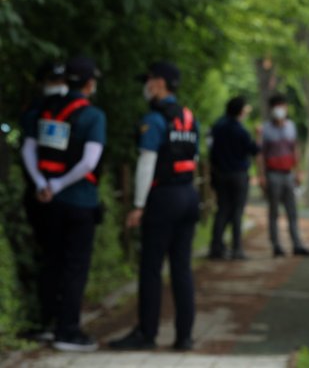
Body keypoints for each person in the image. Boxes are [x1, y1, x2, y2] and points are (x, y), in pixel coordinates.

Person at [109, 61, 199, 351]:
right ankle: (184, 336)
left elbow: (147, 162)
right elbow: (193, 159)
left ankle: (146, 334)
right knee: (182, 268)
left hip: (163, 198)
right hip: (188, 195)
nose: (145, 86)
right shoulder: (187, 117)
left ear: (160, 83)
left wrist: (138, 205)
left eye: (148, 80)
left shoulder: (155, 119)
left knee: (150, 267)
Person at [20, 56, 105, 352]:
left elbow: (28, 149)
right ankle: (68, 331)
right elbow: (89, 162)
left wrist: (44, 184)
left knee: (51, 261)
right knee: (75, 266)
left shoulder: (42, 111)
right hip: (78, 200)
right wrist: (59, 184)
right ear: (90, 83)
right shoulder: (92, 116)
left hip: (46, 200)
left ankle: (47, 323)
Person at [19, 60, 68, 342]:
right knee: (53, 259)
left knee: (57, 260)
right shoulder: (38, 111)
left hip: (53, 193)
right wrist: (45, 185)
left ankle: (55, 319)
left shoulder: (66, 111)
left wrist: (47, 185)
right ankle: (51, 318)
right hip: (50, 195)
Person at [257, 93, 309, 257]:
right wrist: (261, 175)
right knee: (274, 212)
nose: (281, 110)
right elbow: (260, 154)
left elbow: (295, 149)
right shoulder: (265, 129)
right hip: (273, 174)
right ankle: (276, 245)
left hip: (288, 173)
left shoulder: (291, 126)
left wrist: (299, 170)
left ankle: (297, 244)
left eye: (283, 106)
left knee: (292, 211)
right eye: (278, 106)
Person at [208, 96, 260, 260]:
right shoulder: (241, 130)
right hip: (238, 175)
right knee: (237, 211)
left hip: (220, 174)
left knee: (222, 209)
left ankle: (216, 247)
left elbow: (211, 150)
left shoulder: (217, 126)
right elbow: (254, 150)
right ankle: (237, 248)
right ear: (240, 111)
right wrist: (258, 136)